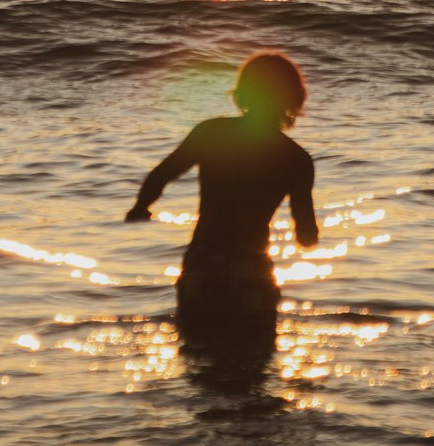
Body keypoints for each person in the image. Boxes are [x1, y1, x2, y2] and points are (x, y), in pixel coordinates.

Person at [125, 51, 318, 349]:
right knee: (254, 358)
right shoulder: (297, 159)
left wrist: (141, 207)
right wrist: (308, 238)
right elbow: (305, 234)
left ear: (244, 94)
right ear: (294, 97)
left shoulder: (212, 132)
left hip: (205, 263)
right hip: (251, 271)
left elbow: (161, 174)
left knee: (198, 355)